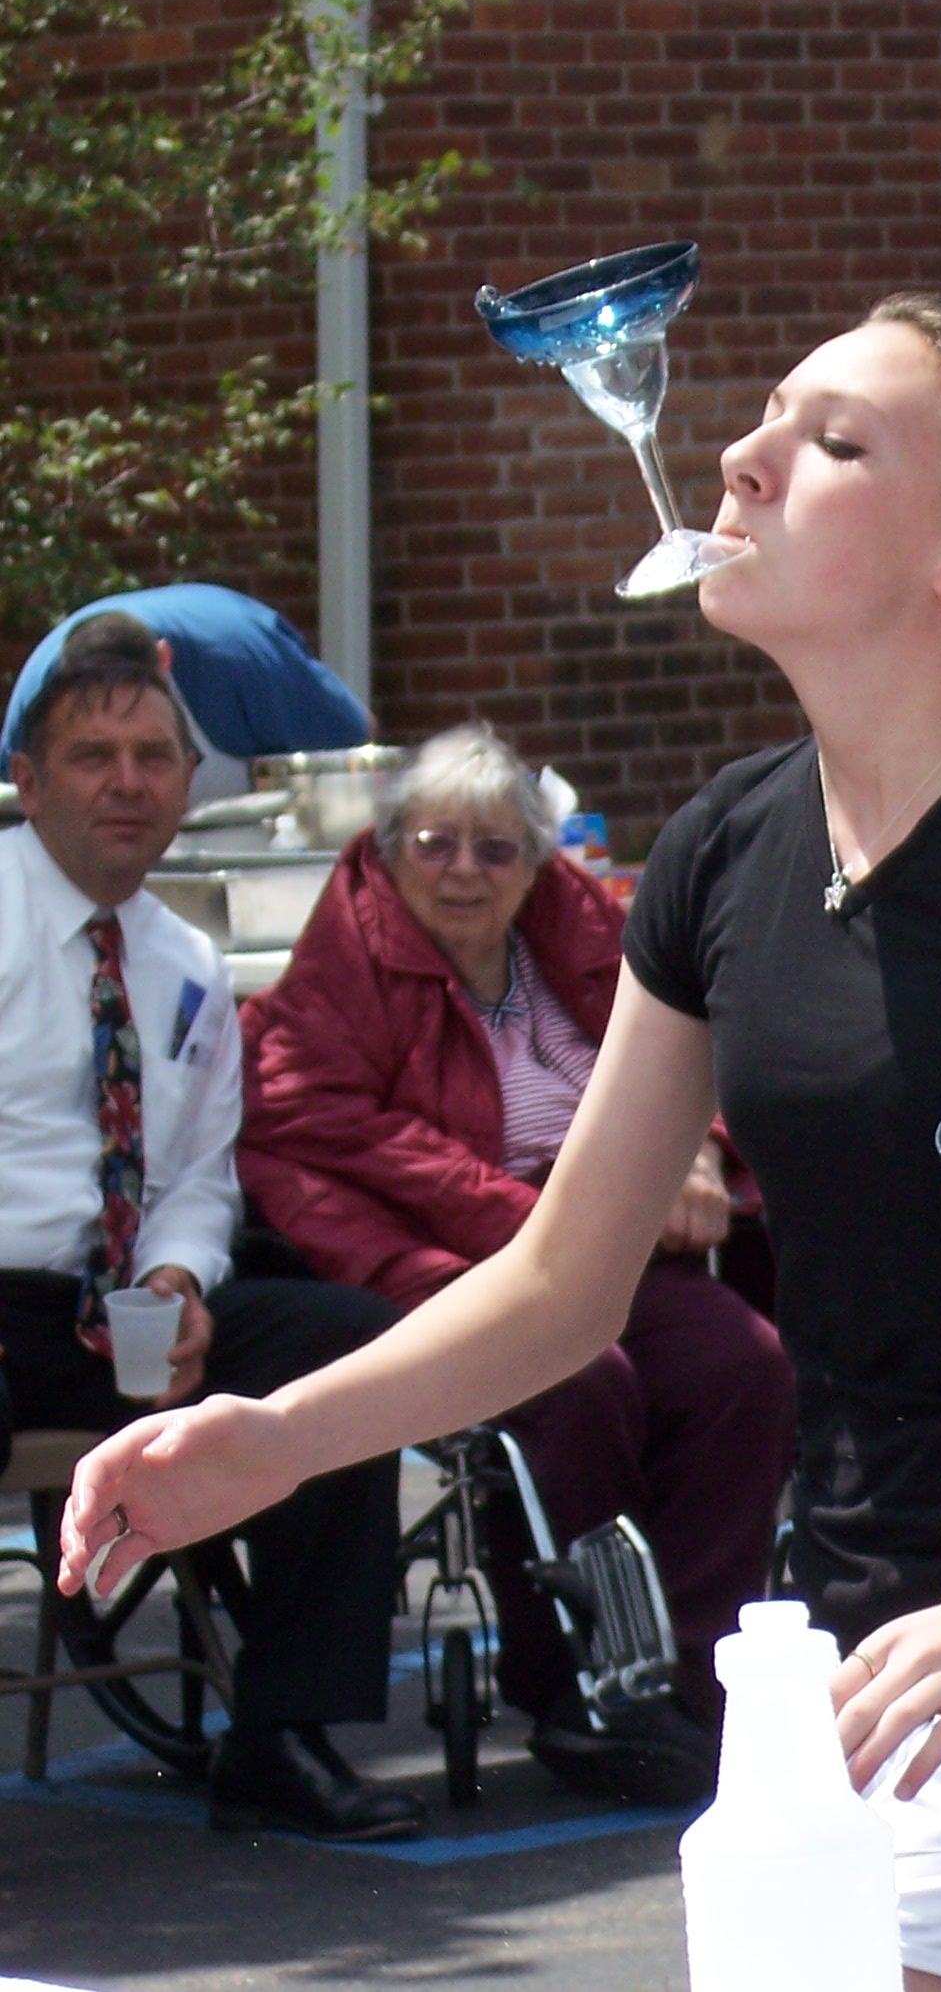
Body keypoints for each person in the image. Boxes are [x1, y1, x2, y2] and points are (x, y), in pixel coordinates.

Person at [64, 295, 941, 1992]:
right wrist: (278, 1433)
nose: (740, 453)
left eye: (834, 439)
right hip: (846, 1669)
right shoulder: (728, 847)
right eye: (768, 415)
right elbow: (567, 1281)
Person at [235, 720, 797, 1803]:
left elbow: (699, 1049)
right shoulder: (349, 954)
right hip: (438, 1246)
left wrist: (692, 1156)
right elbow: (320, 1118)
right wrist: (552, 1220)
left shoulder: (577, 928)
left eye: (496, 850)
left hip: (593, 1231)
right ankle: (585, 1683)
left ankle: (688, 1679)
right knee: (574, 1379)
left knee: (744, 1364)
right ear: (393, 845)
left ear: (537, 861)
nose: (464, 871)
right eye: (437, 843)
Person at [0, 612, 419, 1840]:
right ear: (26, 777)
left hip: (125, 1306)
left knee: (342, 1351)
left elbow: (194, 1174)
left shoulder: (184, 961)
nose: (127, 784)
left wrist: (184, 1280)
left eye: (154, 758)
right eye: (93, 756)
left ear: (193, 783)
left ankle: (282, 1735)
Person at [6, 584, 371, 803]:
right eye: (97, 753)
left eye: (151, 751)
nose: (129, 784)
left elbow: (353, 744)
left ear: (164, 660)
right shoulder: (35, 705)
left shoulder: (246, 663)